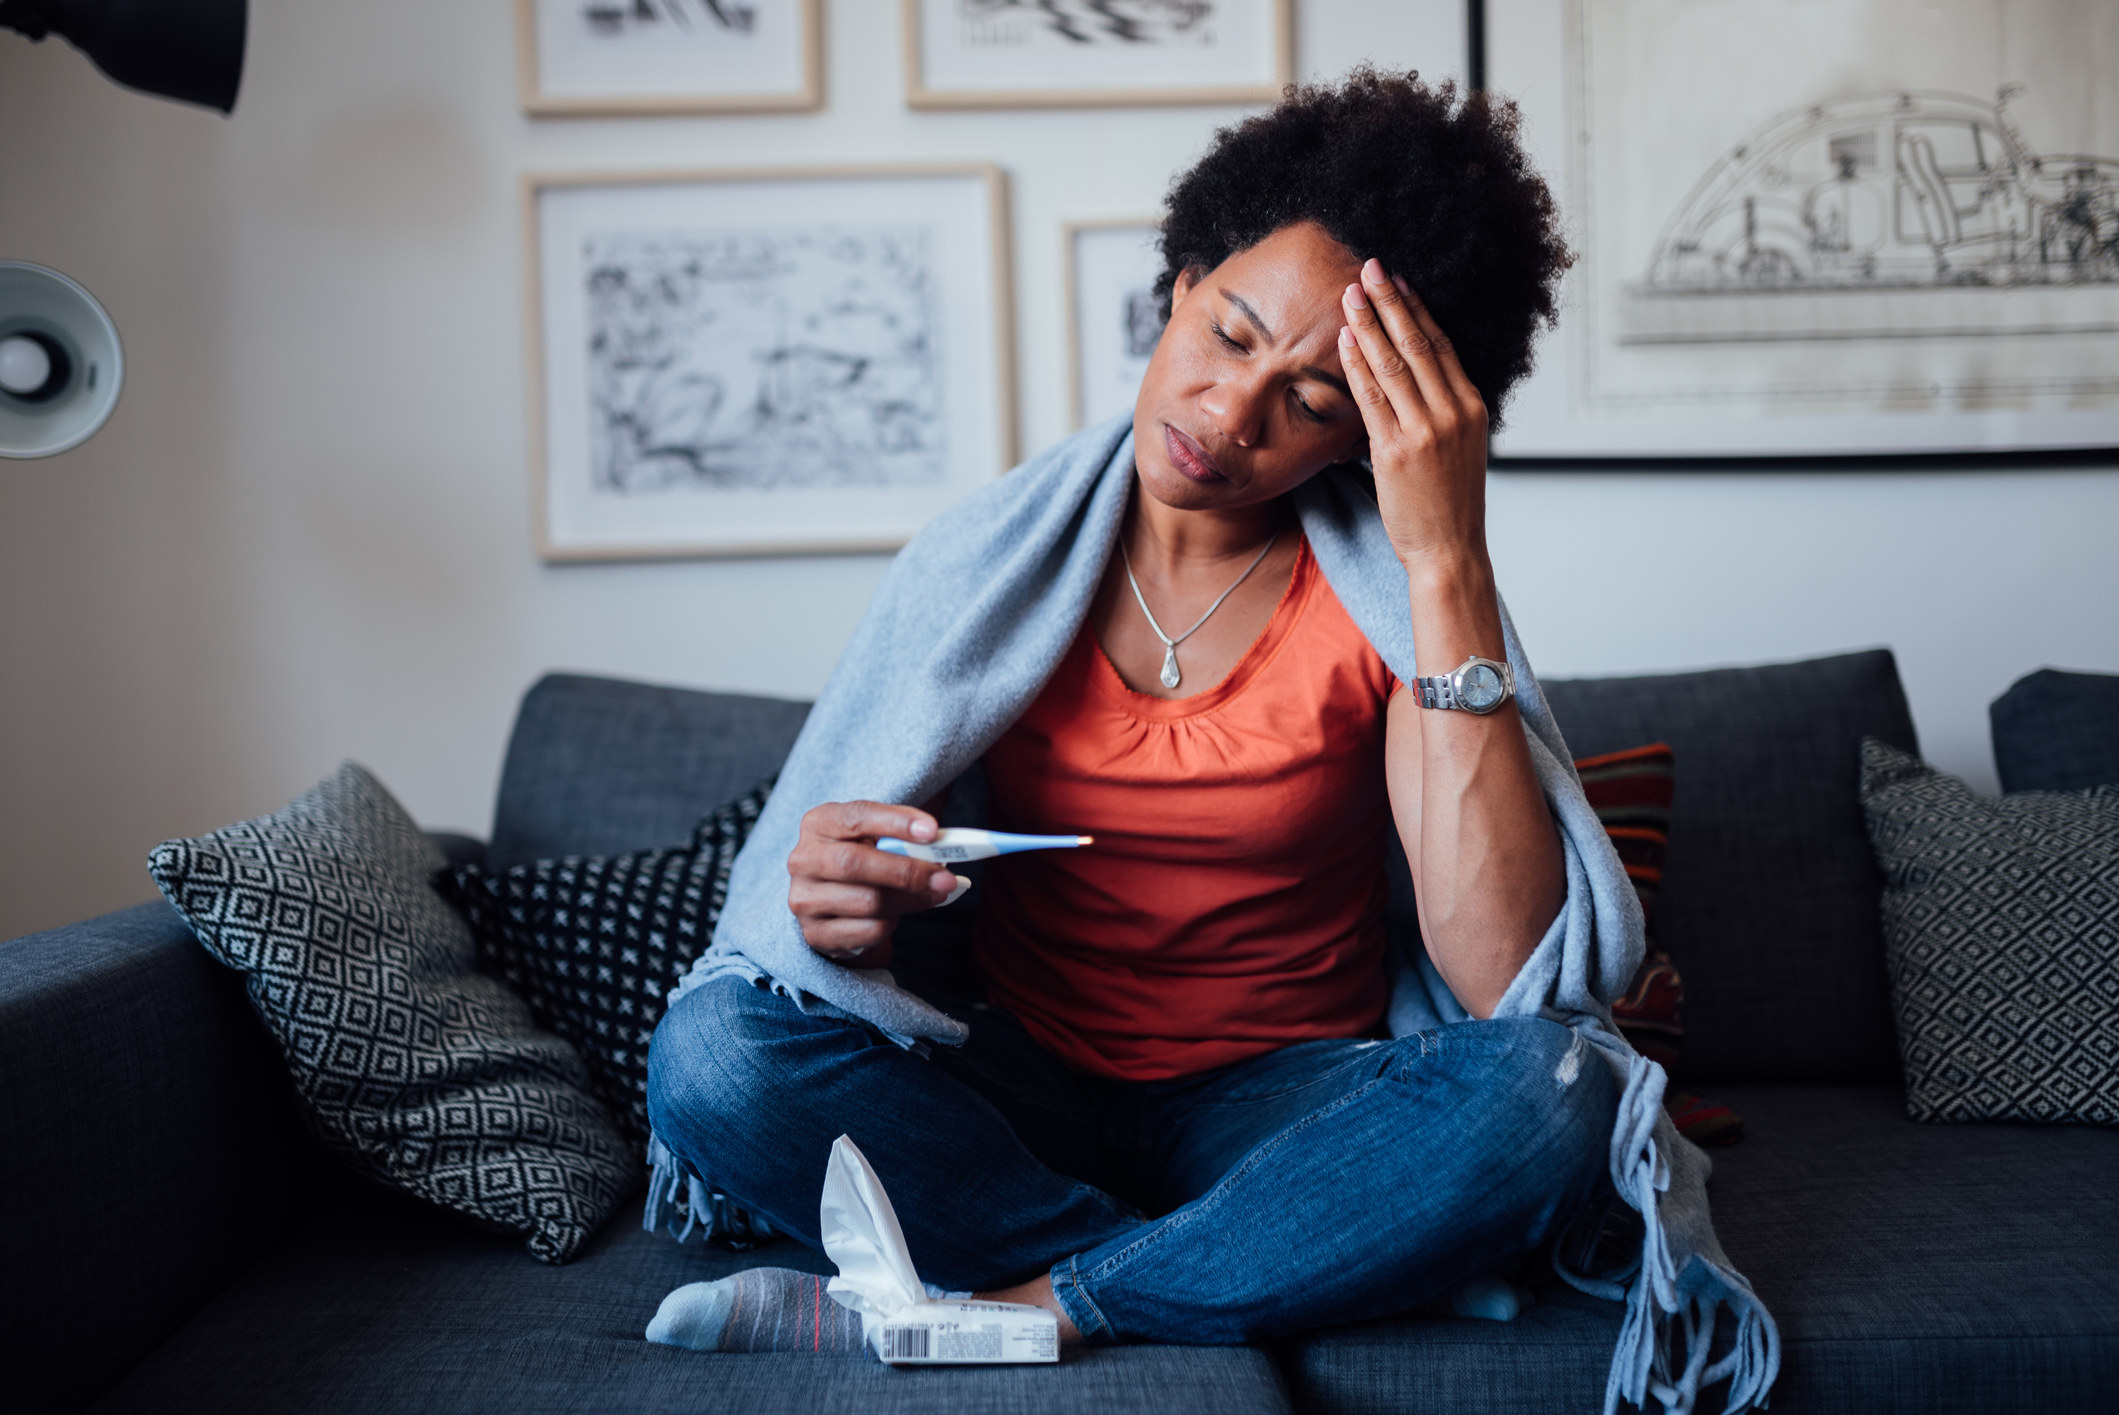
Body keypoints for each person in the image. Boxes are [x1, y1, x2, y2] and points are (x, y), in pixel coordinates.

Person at [645, 68, 1616, 1353]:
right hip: (1014, 1087)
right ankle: (1278, 1254)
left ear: (1367, 440)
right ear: (1179, 286)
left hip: (1279, 1099)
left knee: (1554, 1092)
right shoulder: (986, 567)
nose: (1229, 414)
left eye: (1313, 403)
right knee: (711, 1054)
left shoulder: (1388, 602)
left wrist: (1448, 562)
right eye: (1226, 335)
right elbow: (822, 915)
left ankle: (1005, 1305)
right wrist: (843, 908)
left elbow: (1507, 981)